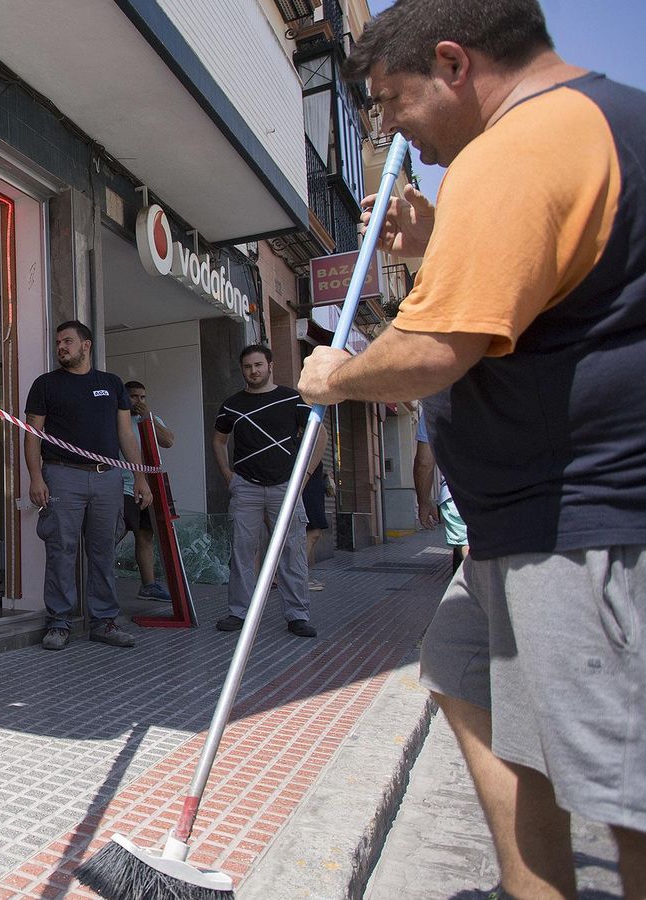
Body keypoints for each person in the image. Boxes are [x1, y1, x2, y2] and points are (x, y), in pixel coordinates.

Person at [300, 1, 646, 893]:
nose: (385, 128)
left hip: (581, 522)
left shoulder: (523, 145)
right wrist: (436, 241)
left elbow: (429, 354)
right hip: (520, 525)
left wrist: (333, 376)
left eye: (385, 102)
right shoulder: (582, 128)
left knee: (624, 791)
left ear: (452, 64)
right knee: (461, 673)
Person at [24, 320, 150, 651]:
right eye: (57, 342)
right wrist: (36, 477)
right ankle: (59, 622)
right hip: (62, 474)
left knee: (103, 551)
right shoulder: (46, 385)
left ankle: (104, 621)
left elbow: (126, 434)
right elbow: (32, 435)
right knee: (61, 550)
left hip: (108, 476)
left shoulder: (111, 383)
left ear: (86, 345)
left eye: (67, 341)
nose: (61, 347)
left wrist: (139, 477)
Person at [213, 344, 326, 638]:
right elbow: (219, 441)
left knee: (292, 553)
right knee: (241, 553)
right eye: (248, 367)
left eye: (258, 365)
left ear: (270, 365)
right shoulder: (231, 404)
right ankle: (239, 612)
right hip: (246, 487)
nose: (253, 371)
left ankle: (298, 616)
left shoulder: (293, 399)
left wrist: (305, 477)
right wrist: (228, 475)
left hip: (285, 487)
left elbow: (319, 436)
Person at [120, 380, 175, 602]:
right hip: (123, 486)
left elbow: (169, 441)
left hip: (150, 489)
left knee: (145, 535)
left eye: (142, 397)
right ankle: (95, 581)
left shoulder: (151, 419)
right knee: (115, 532)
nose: (139, 402)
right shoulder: (117, 420)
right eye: (134, 397)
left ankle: (148, 585)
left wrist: (149, 417)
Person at [412, 414, 468, 570]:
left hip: (458, 494)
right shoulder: (509, 390)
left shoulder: (436, 399)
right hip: (510, 492)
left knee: (473, 562)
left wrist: (424, 502)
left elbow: (424, 463)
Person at [301, 462, 332, 591]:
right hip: (307, 489)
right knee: (312, 533)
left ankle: (301, 576)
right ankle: (298, 577)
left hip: (313, 488)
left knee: (312, 533)